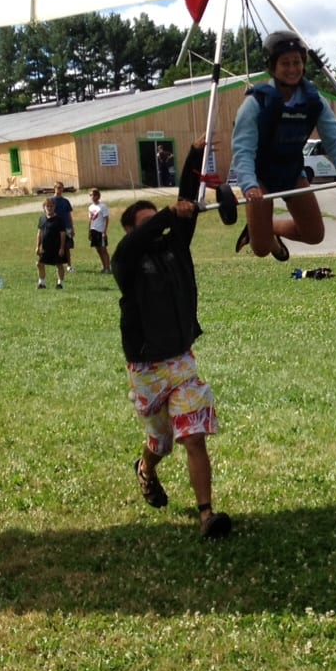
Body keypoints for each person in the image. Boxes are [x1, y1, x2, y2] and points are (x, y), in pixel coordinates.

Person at [111, 141, 232, 539]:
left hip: (181, 361)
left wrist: (196, 155)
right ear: (132, 230)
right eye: (149, 224)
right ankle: (146, 468)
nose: (160, 229)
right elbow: (141, 236)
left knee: (193, 437)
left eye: (161, 223)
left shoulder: (175, 247)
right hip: (146, 368)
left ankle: (207, 515)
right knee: (161, 442)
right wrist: (164, 215)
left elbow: (184, 202)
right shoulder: (126, 260)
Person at [230, 30, 336, 262]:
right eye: (285, 63)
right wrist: (249, 185)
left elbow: (334, 139)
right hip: (260, 176)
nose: (292, 69)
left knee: (314, 234)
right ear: (272, 67)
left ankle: (269, 227)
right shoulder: (255, 103)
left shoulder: (314, 102)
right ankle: (261, 234)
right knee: (261, 248)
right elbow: (243, 149)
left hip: (291, 171)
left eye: (297, 62)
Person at [36, 195, 68, 289]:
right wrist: (38, 246)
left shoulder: (59, 220)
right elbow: (39, 233)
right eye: (47, 206)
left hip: (57, 246)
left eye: (51, 206)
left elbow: (62, 234)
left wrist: (62, 248)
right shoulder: (42, 219)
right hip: (45, 247)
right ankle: (42, 283)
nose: (49, 208)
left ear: (54, 207)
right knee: (39, 264)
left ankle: (60, 283)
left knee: (59, 265)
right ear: (44, 207)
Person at [51, 183, 74, 273]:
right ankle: (58, 264)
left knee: (67, 247)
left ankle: (69, 265)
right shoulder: (51, 201)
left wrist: (72, 227)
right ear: (55, 188)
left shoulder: (66, 201)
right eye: (58, 188)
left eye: (61, 188)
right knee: (57, 247)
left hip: (66, 227)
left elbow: (69, 215)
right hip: (56, 227)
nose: (60, 190)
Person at [86, 188, 111, 272]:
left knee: (103, 249)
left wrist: (104, 231)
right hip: (94, 230)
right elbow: (91, 220)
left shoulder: (102, 206)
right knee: (98, 250)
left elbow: (106, 219)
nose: (91, 197)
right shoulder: (90, 207)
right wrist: (89, 231)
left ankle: (108, 268)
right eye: (90, 195)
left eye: (93, 195)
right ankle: (104, 267)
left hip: (101, 231)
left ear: (97, 196)